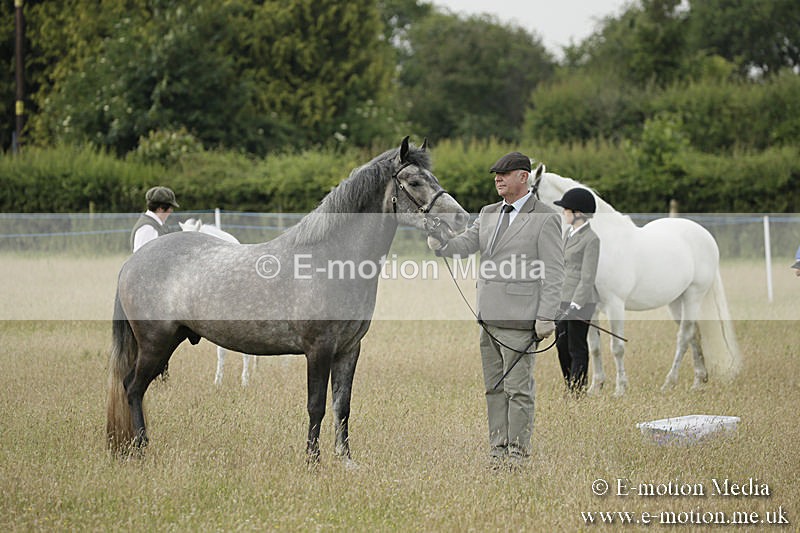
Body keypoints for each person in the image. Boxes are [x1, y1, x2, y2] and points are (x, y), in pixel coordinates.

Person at [427, 151, 564, 469]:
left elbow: (555, 272)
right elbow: (466, 244)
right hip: (487, 316)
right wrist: (443, 244)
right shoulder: (488, 213)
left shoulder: (545, 217)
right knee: (494, 388)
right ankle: (497, 450)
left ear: (523, 177)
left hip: (521, 318)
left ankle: (518, 453)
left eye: (505, 173)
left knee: (519, 390)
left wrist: (547, 316)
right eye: (495, 175)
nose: (498, 179)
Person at [553, 188, 600, 396]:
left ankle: (577, 392)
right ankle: (570, 384)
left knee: (576, 347)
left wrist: (575, 304)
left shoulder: (591, 239)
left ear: (578, 213)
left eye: (567, 210)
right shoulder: (568, 234)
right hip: (562, 298)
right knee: (561, 343)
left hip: (581, 302)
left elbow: (588, 277)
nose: (564, 213)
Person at [130, 186, 179, 253]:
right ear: (160, 208)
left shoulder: (157, 225)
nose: (171, 211)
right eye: (170, 208)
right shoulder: (147, 228)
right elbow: (141, 258)